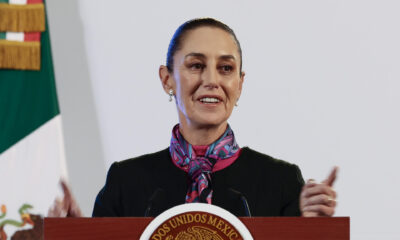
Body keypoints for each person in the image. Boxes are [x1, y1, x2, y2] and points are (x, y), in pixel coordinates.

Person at [48, 18, 337, 218]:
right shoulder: (126, 182)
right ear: (167, 79)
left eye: (225, 68)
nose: (211, 80)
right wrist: (73, 234)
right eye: (196, 65)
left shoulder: (282, 181)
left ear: (240, 83)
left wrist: (310, 227)